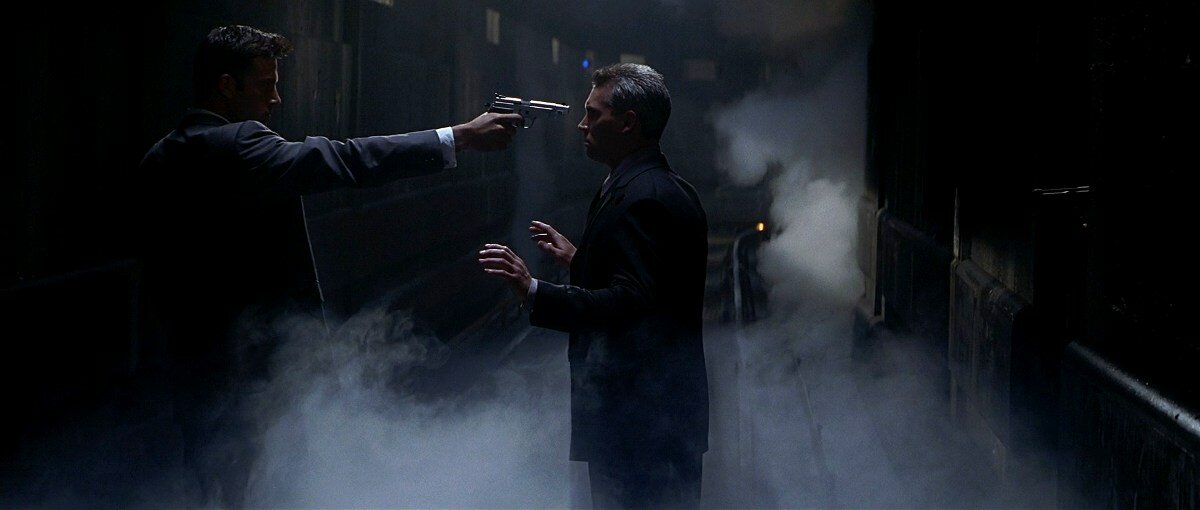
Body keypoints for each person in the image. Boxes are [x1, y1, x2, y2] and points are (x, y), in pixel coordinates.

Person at [134, 24, 522, 508]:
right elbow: (344, 159)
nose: (276, 98)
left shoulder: (158, 157)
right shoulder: (238, 143)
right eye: (265, 85)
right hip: (253, 370)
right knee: (261, 487)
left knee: (209, 484)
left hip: (186, 368)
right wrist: (457, 137)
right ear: (226, 86)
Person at [479, 63, 709, 509]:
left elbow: (632, 302)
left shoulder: (642, 198)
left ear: (628, 123)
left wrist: (533, 290)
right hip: (650, 419)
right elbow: (653, 284)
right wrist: (581, 260)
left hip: (641, 424)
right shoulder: (651, 186)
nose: (582, 125)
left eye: (594, 113)